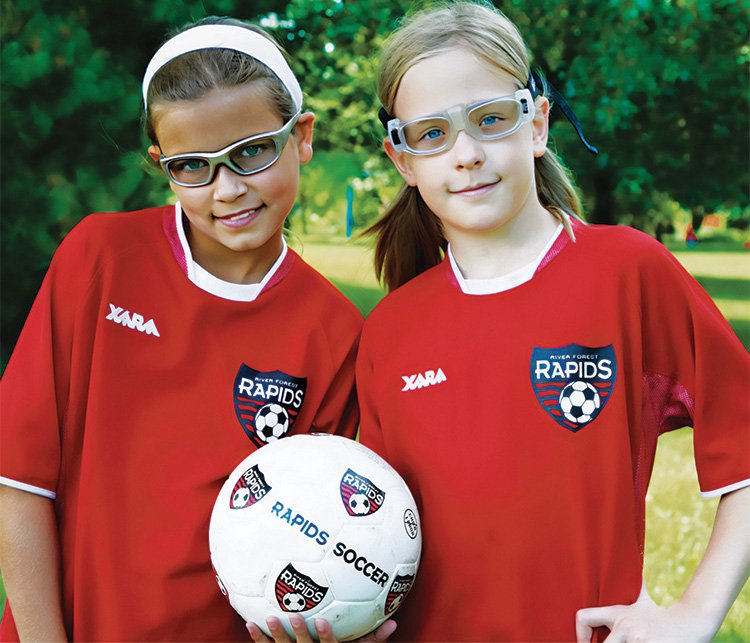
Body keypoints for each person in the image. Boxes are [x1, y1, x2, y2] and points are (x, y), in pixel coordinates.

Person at [355, 2, 750, 641]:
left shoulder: (626, 271)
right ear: (403, 161)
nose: (465, 154)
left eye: (490, 119)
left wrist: (696, 613)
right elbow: (370, 533)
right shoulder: (391, 329)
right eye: (432, 133)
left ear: (536, 125)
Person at [0, 17, 364, 642]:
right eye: (193, 166)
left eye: (252, 151)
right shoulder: (103, 259)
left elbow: (327, 536)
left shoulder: (334, 330)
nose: (227, 190)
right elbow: (19, 482)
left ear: (301, 136)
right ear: (160, 163)